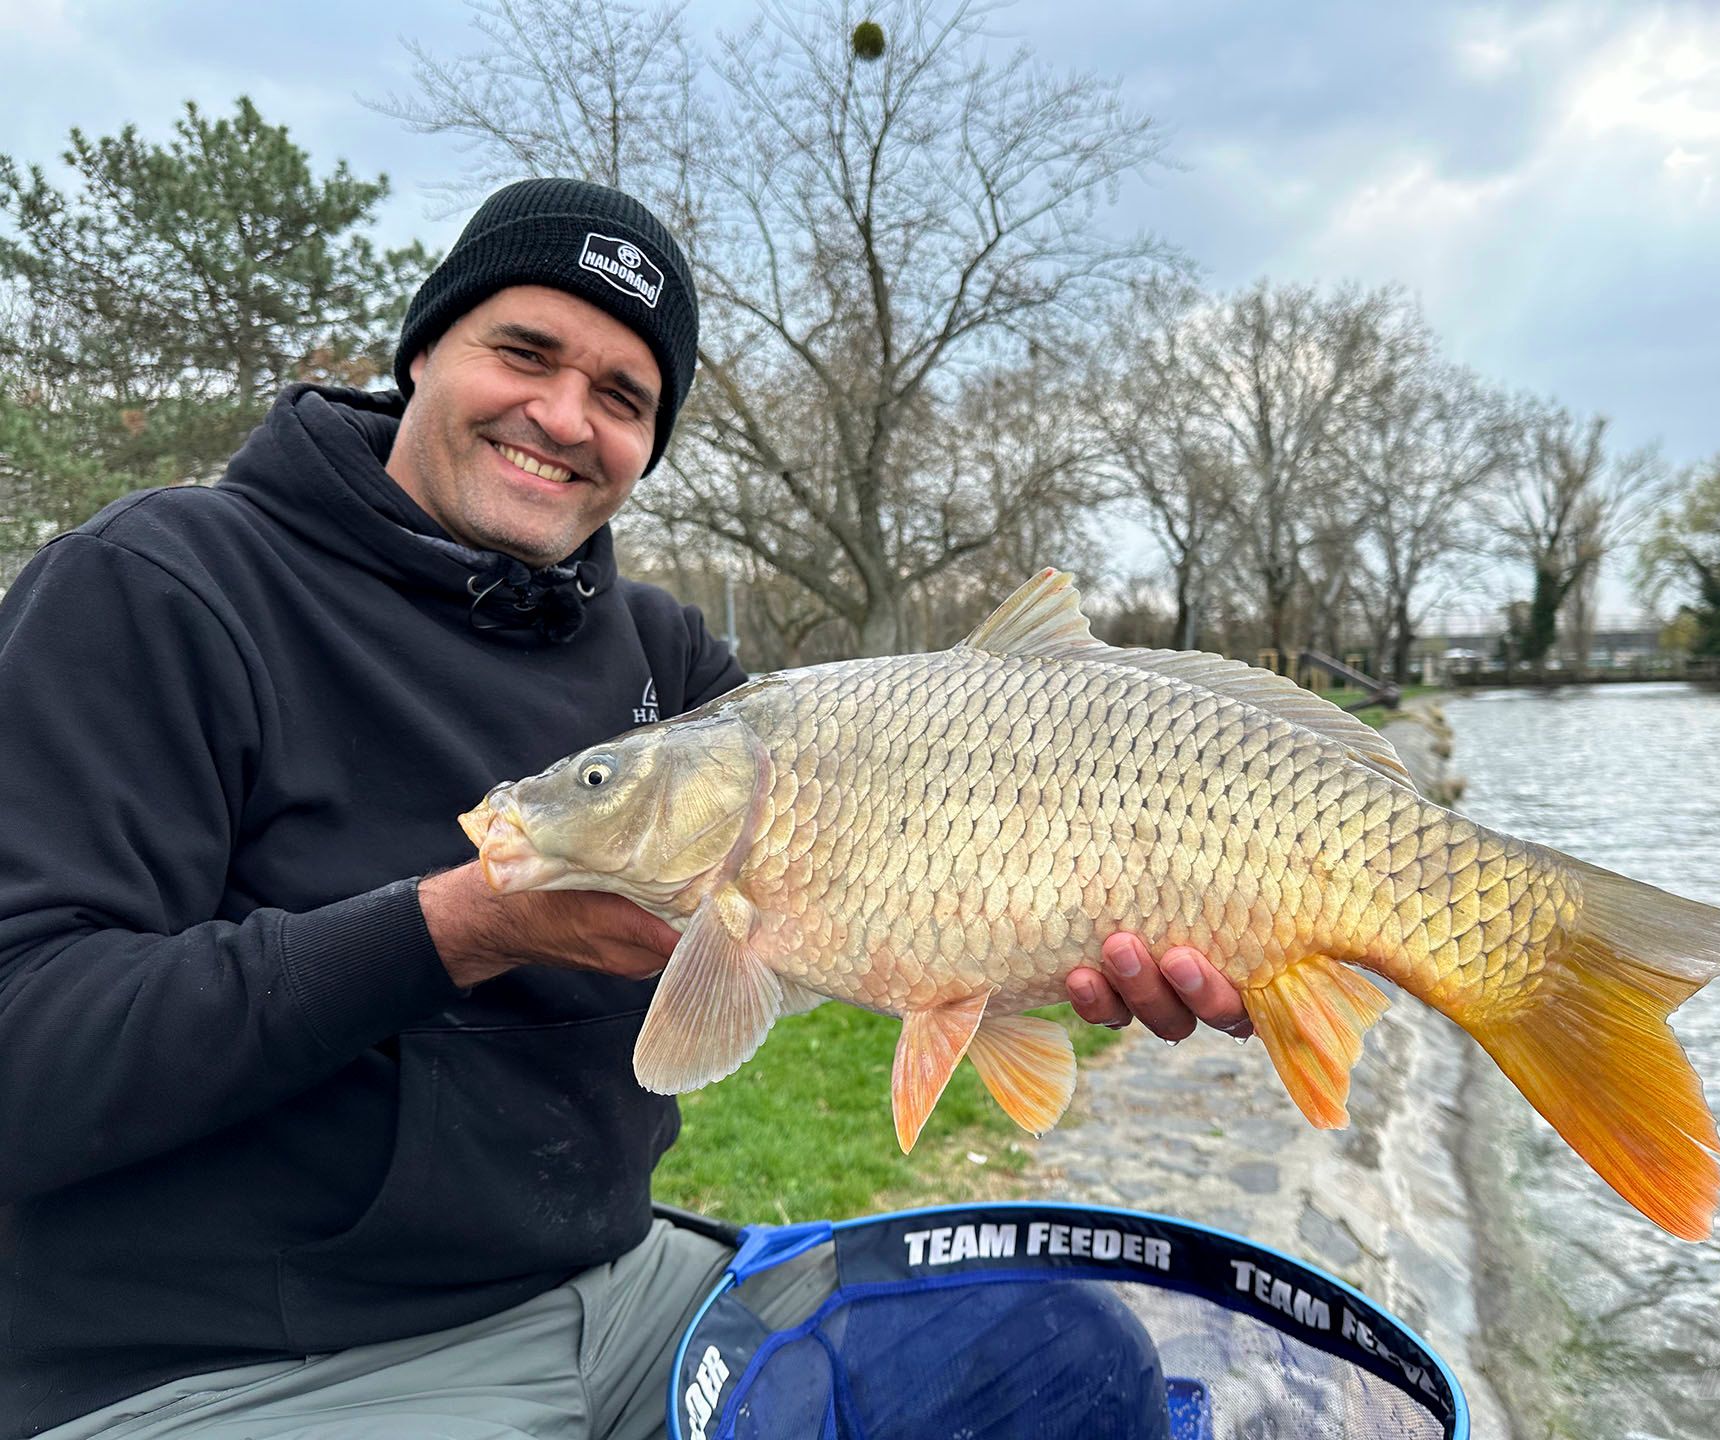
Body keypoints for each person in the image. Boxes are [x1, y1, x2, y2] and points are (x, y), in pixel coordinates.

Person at [0, 178, 1248, 1439]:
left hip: (619, 1289)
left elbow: (874, 885)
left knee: (1062, 1357)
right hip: (250, 1362)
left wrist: (1063, 927)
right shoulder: (158, 586)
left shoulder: (663, 657)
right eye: (524, 352)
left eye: (623, 396)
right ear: (425, 346)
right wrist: (464, 927)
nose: (562, 416)